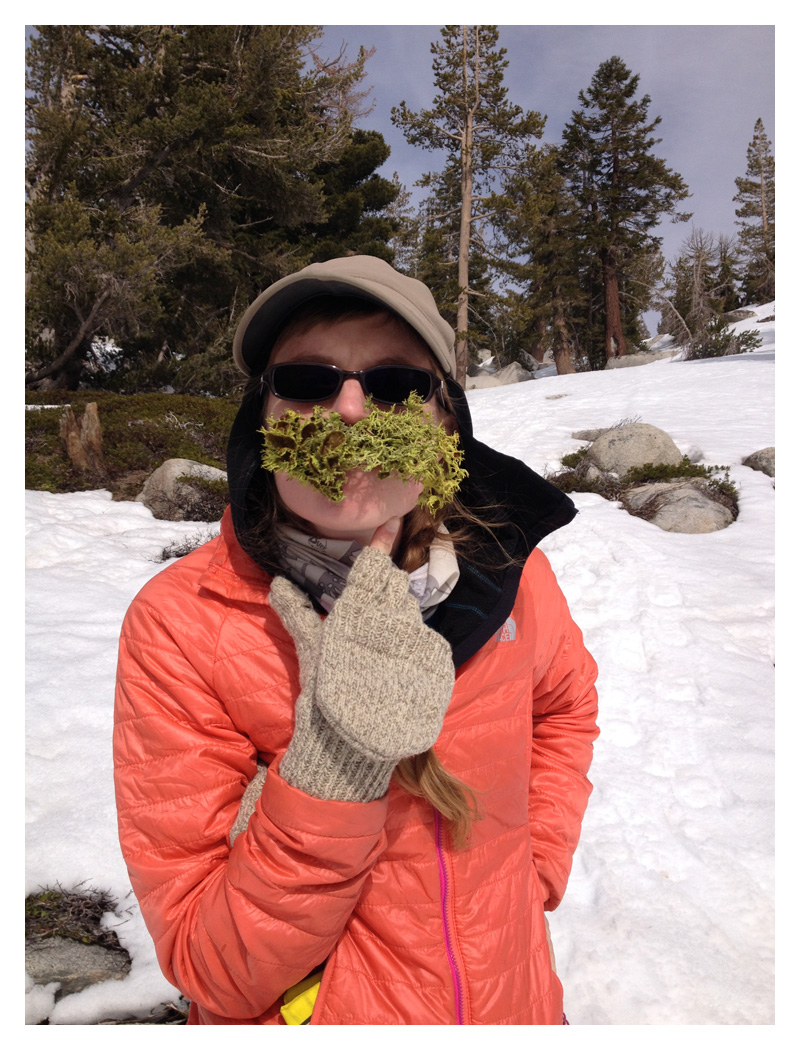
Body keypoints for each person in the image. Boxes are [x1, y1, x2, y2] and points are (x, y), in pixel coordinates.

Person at [113, 255, 599, 1026]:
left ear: (446, 423)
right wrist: (334, 762)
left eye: (396, 385)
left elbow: (564, 710)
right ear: (264, 419)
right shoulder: (183, 623)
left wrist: (531, 868)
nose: (348, 410)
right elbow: (212, 967)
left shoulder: (508, 570)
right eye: (307, 380)